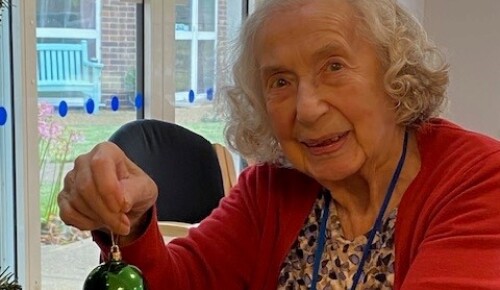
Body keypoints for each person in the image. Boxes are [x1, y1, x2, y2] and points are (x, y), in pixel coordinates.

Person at [58, 0, 500, 289]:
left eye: (333, 66)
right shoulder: (270, 188)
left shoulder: (479, 179)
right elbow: (182, 281)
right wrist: (133, 224)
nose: (306, 109)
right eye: (280, 81)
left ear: (394, 75)